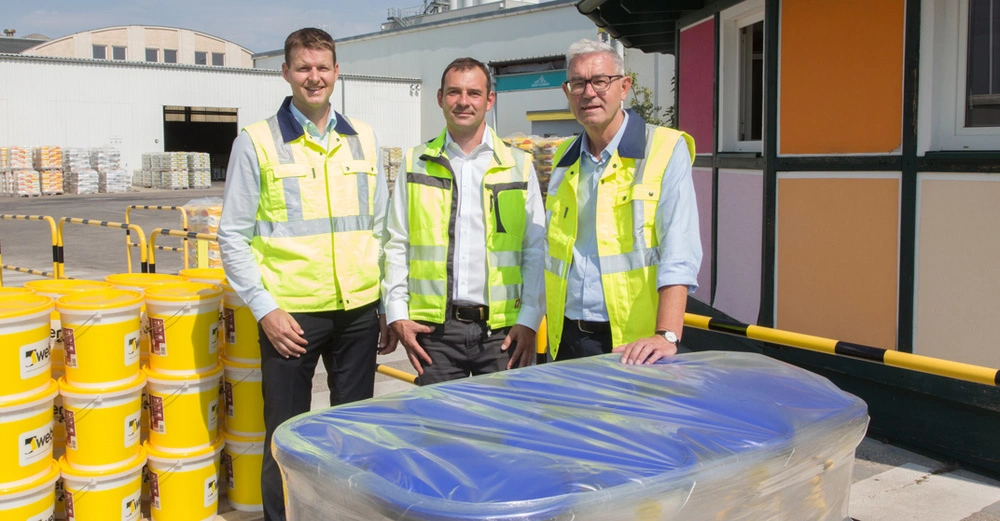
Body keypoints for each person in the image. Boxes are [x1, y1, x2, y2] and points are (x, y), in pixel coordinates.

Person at [217, 28, 396, 521]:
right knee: (287, 438)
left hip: (358, 311)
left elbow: (381, 228)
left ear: (337, 72)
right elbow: (232, 236)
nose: (314, 77)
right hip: (290, 316)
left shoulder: (363, 138)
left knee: (355, 431)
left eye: (323, 67)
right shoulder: (256, 142)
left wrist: (382, 303)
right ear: (286, 73)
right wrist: (265, 309)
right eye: (303, 67)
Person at [383, 57, 545, 384]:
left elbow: (535, 249)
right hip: (435, 334)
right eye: (454, 92)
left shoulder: (519, 165)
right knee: (439, 431)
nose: (463, 101)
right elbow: (396, 243)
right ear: (440, 97)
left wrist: (529, 319)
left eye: (473, 93)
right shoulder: (416, 163)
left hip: (503, 332)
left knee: (503, 432)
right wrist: (397, 315)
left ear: (489, 100)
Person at [545, 39, 701, 365]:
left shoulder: (665, 149)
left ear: (624, 86)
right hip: (567, 339)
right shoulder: (564, 158)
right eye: (578, 83)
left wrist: (668, 334)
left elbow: (679, 248)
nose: (589, 93)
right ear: (567, 91)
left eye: (600, 81)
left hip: (635, 345)